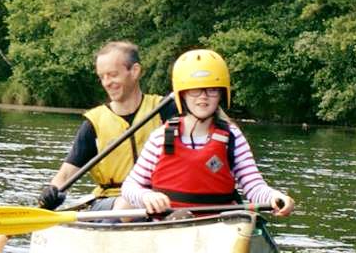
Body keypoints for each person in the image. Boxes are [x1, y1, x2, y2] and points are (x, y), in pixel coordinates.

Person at [117, 49, 295, 218]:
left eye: (212, 90)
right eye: (195, 90)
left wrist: (275, 197)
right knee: (126, 206)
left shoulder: (232, 137)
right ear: (183, 95)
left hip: (217, 226)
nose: (203, 97)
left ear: (221, 94)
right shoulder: (160, 137)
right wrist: (145, 196)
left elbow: (254, 186)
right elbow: (130, 187)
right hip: (166, 225)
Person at [36, 41, 177, 211]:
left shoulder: (166, 109)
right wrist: (51, 194)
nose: (106, 82)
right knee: (129, 204)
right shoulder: (94, 124)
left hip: (159, 197)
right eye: (102, 77)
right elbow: (66, 174)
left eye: (112, 74)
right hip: (111, 202)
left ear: (135, 71)